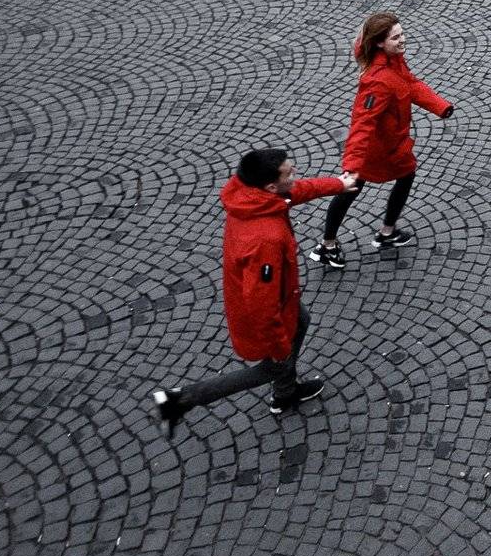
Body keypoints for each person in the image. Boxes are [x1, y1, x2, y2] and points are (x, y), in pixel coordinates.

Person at [152, 149, 356, 436]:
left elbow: (294, 192)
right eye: (289, 172)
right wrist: (280, 349)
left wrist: (338, 184)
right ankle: (179, 400)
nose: (295, 172)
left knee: (301, 321)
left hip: (282, 297)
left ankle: (285, 392)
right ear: (271, 186)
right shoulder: (266, 240)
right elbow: (262, 304)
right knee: (274, 366)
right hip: (269, 308)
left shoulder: (252, 196)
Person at [310, 12, 453, 269]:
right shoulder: (377, 81)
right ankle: (330, 245)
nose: (403, 40)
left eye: (402, 34)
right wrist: (351, 166)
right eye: (395, 37)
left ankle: (381, 233)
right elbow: (362, 124)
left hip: (391, 145)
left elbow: (409, 84)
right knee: (350, 188)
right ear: (379, 42)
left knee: (401, 176)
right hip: (376, 150)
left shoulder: (393, 61)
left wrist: (439, 106)